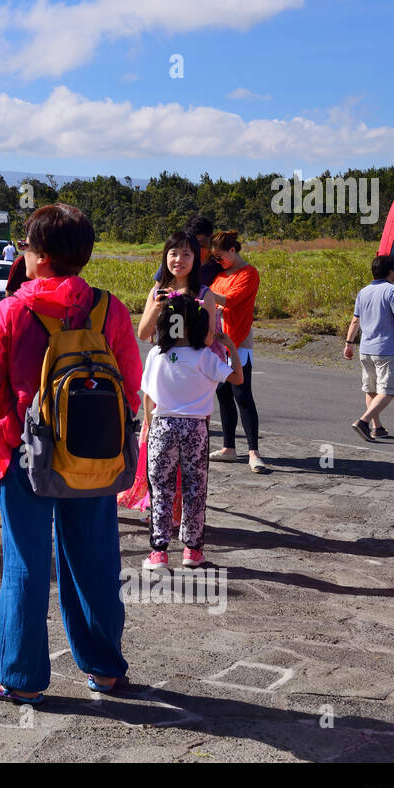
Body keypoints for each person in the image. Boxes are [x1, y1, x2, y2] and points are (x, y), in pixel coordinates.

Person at [0, 204, 143, 704]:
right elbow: (130, 386)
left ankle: (19, 679)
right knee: (95, 559)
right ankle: (105, 667)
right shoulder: (110, 309)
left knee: (25, 562)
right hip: (93, 454)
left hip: (26, 455)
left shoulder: (14, 311)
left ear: (39, 256)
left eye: (26, 244)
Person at [122, 231, 223, 513]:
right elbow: (143, 334)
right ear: (165, 258)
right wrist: (157, 307)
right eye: (173, 254)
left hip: (191, 380)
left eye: (186, 254)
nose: (179, 260)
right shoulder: (157, 292)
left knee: (189, 451)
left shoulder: (205, 294)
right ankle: (157, 506)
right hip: (161, 377)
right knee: (155, 442)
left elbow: (206, 341)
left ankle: (180, 511)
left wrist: (202, 312)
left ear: (197, 259)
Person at [141, 294, 243, 571]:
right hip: (196, 426)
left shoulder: (157, 354)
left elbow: (148, 397)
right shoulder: (205, 357)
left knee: (161, 489)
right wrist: (231, 346)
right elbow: (237, 378)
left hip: (162, 424)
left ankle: (158, 552)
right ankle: (192, 549)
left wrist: (150, 426)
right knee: (195, 489)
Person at [208, 230, 269, 472]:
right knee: (223, 395)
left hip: (239, 340)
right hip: (218, 342)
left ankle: (254, 451)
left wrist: (203, 292)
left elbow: (231, 300)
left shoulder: (249, 273)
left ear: (233, 250)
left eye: (220, 255)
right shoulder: (221, 275)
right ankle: (229, 447)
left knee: (242, 394)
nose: (218, 260)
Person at [344, 255, 394, 441]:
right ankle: (363, 421)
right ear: (391, 271)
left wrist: (348, 343)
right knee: (389, 390)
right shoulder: (393, 290)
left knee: (371, 389)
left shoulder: (363, 292)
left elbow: (355, 320)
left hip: (365, 349)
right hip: (386, 349)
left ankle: (376, 427)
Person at [153, 216, 220, 288]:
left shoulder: (220, 263)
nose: (197, 251)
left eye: (202, 245)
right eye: (192, 247)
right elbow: (157, 287)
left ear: (212, 238)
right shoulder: (175, 263)